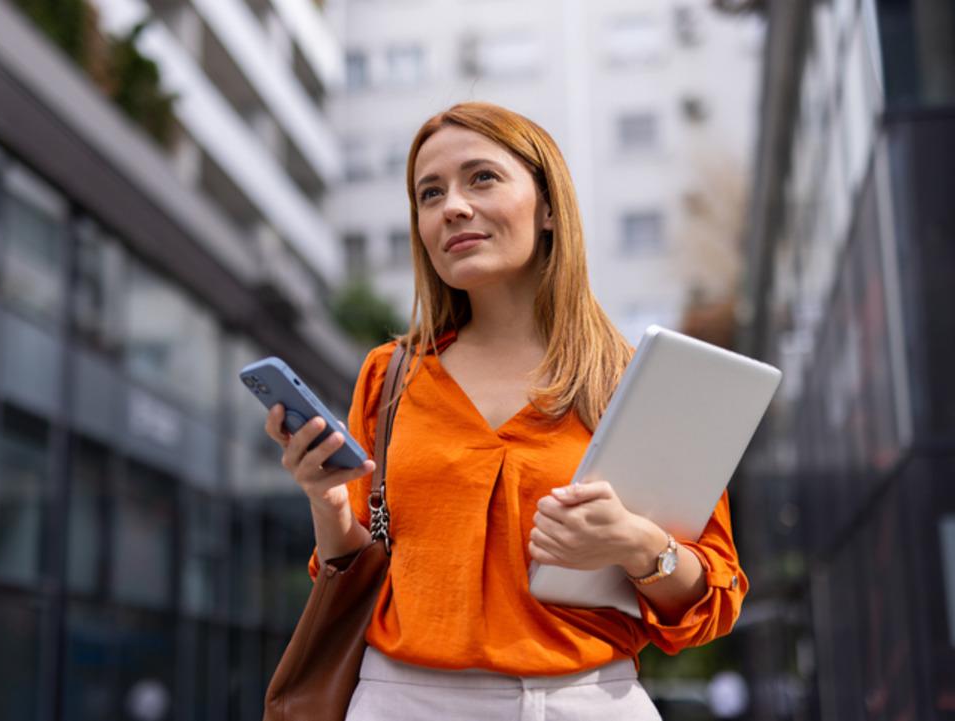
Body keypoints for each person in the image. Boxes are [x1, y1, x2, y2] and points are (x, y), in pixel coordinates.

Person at [264, 102, 747, 720]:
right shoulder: (389, 377)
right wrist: (328, 505)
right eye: (429, 193)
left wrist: (636, 543)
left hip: (588, 701)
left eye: (482, 177)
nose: (453, 207)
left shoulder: (638, 381)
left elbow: (713, 600)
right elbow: (355, 575)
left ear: (548, 206)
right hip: (405, 701)